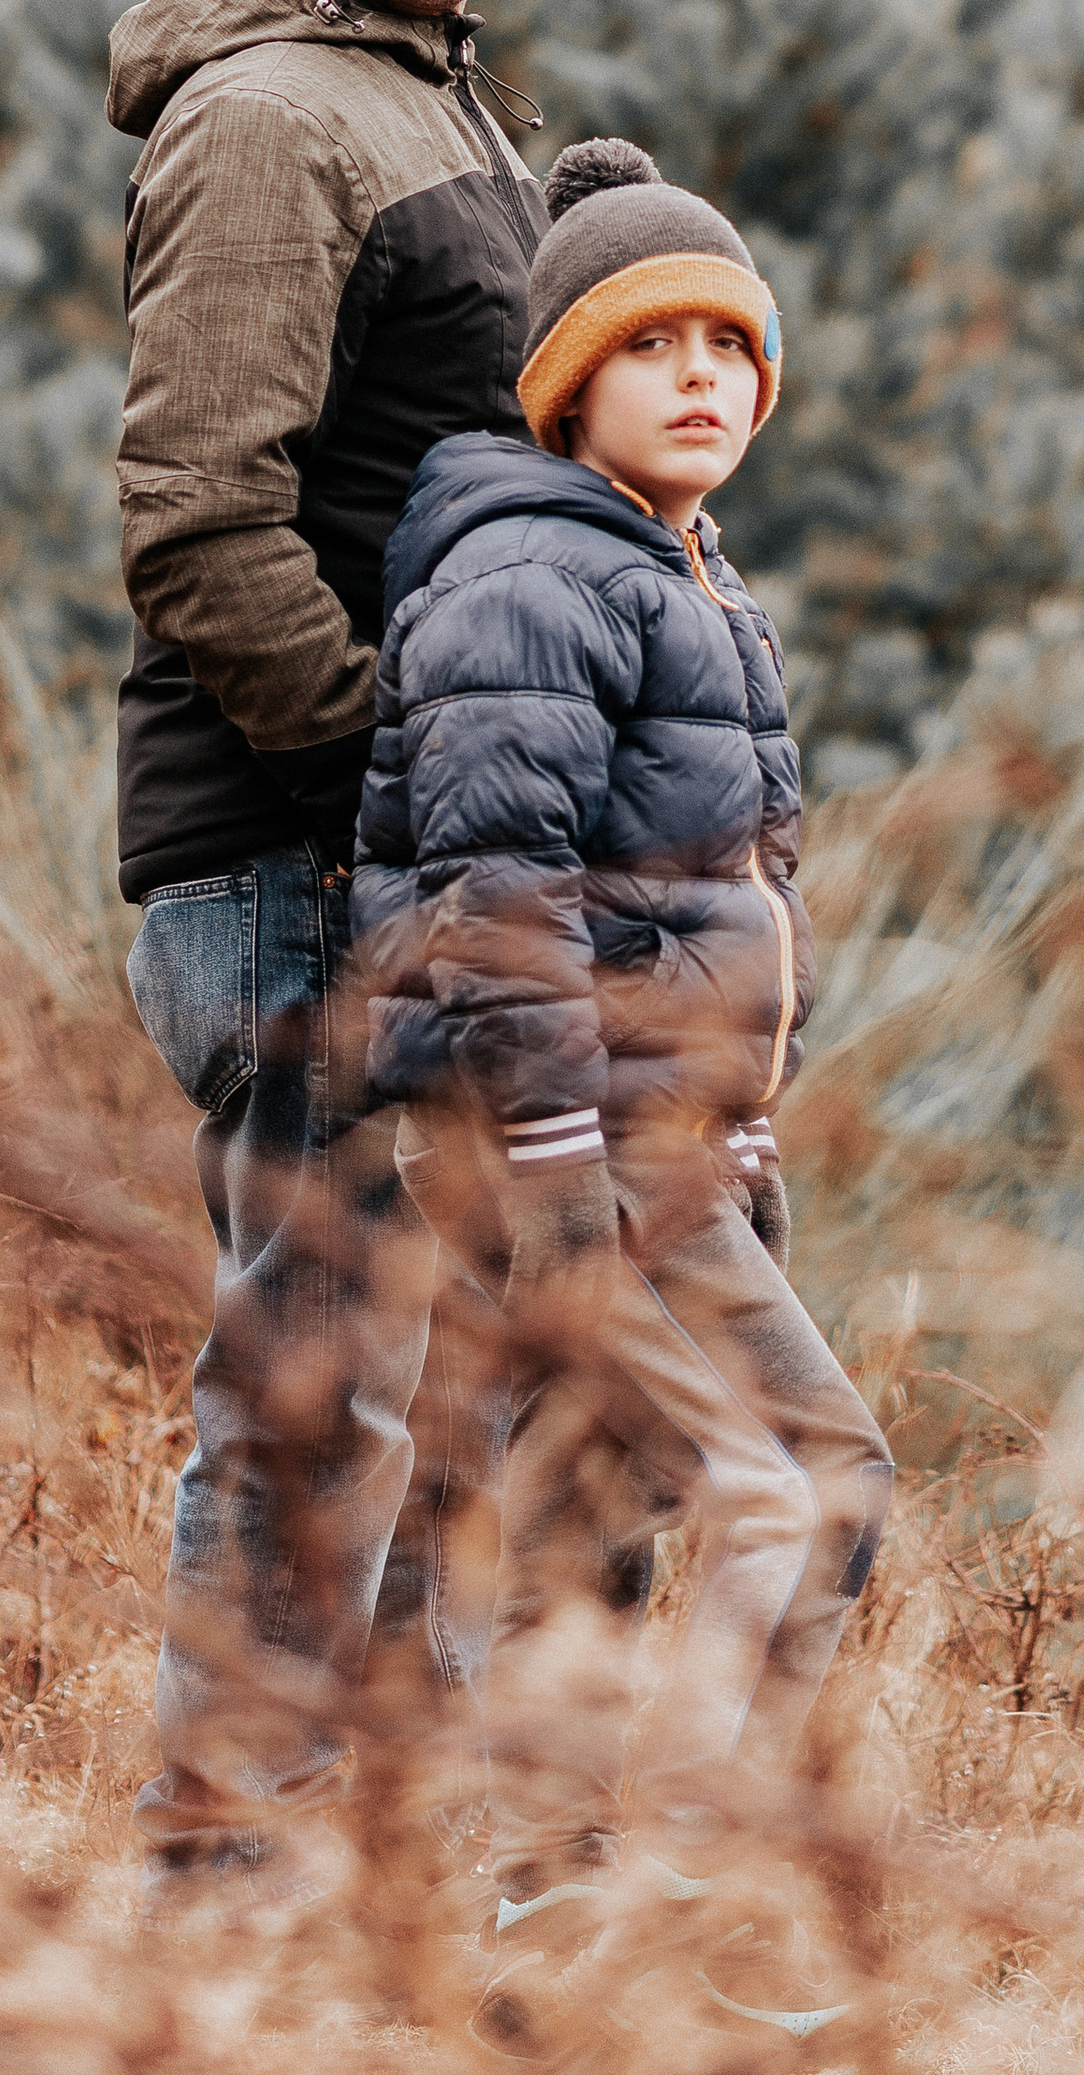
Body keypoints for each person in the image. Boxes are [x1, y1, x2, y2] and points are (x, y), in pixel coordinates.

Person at [352, 139, 894, 2018]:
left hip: (661, 1141)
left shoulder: (681, 580)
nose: (702, 379)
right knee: (811, 1477)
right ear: (567, 378)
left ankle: (548, 1933)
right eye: (650, 343)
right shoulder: (532, 576)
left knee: (585, 1521)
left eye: (730, 345)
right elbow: (502, 903)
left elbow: (724, 898)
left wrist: (741, 1130)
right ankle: (691, 1887)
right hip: (566, 1143)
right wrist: (575, 1164)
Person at [108, 0, 548, 1885]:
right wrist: (387, 779)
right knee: (319, 1383)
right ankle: (229, 1888)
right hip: (306, 861)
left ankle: (389, 1873)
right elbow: (199, 515)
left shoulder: (429, 115)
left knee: (453, 1371)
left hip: (419, 859)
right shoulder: (277, 116)